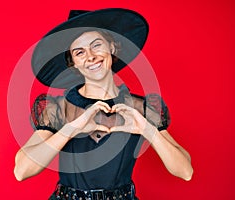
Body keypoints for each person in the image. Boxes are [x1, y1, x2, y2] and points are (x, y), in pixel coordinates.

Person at [14, 8, 193, 200]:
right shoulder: (58, 108)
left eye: (96, 45)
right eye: (79, 52)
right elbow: (22, 171)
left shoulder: (141, 107)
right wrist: (71, 129)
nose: (90, 56)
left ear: (112, 48)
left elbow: (185, 171)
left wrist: (146, 129)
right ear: (73, 62)